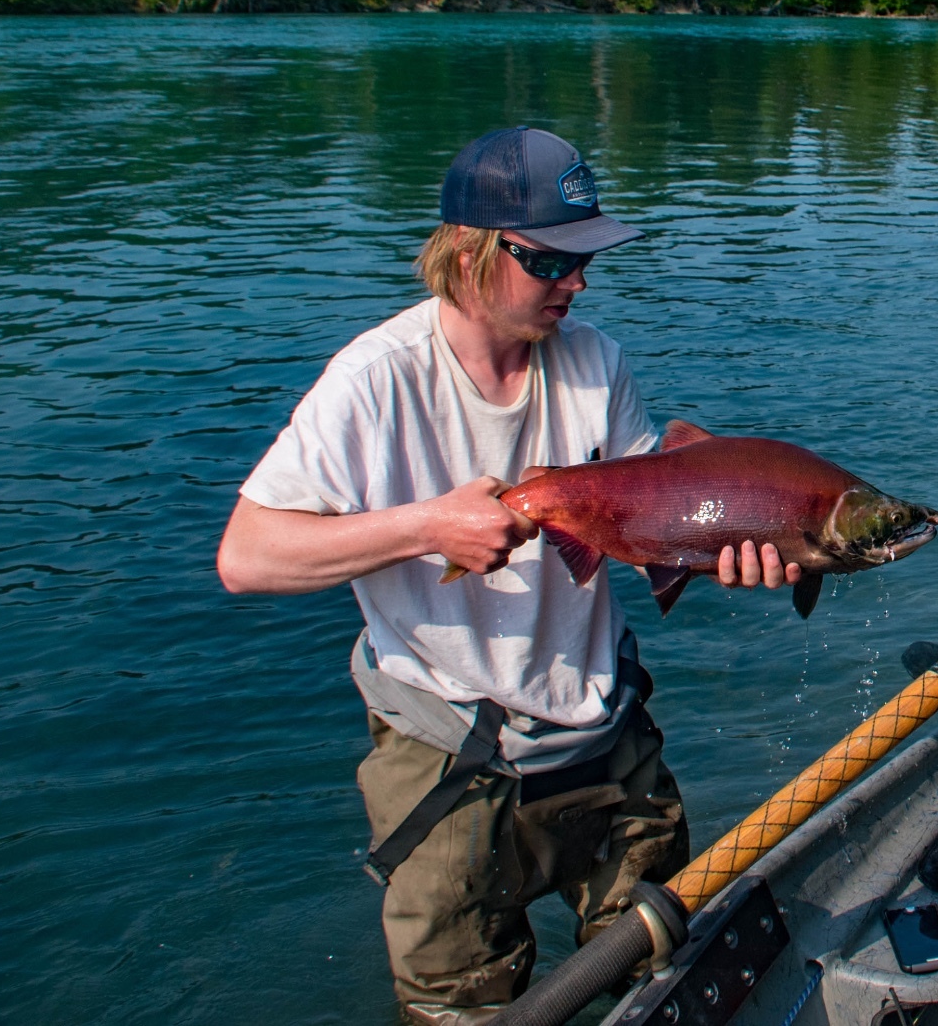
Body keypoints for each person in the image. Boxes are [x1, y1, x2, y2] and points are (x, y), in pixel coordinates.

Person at [216, 126, 803, 1026]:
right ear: (470, 250)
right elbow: (246, 556)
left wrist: (730, 551)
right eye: (550, 263)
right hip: (449, 763)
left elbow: (653, 519)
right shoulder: (376, 383)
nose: (575, 283)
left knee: (678, 979)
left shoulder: (596, 361)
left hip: (606, 737)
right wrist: (423, 526)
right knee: (462, 1012)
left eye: (585, 261)